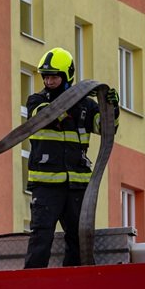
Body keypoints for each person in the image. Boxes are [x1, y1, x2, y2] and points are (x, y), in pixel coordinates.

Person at [23, 46, 119, 269]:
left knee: (79, 239)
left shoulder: (87, 105)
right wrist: (75, 103)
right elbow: (46, 115)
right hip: (46, 186)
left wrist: (110, 108)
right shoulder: (36, 101)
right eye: (46, 76)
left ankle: (74, 280)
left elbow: (105, 128)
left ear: (67, 76)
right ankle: (31, 283)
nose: (49, 81)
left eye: (54, 76)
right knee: (41, 237)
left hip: (77, 185)